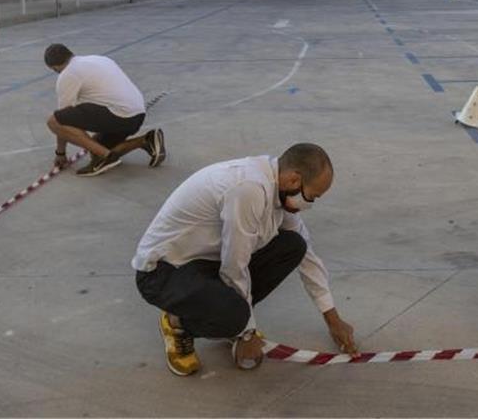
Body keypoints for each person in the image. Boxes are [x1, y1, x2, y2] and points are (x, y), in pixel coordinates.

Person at [132, 143, 358, 376]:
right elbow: (234, 265)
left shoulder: (277, 191)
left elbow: (307, 254)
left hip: (205, 262)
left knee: (293, 246)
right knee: (235, 317)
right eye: (312, 196)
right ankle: (177, 324)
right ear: (294, 180)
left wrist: (333, 320)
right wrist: (246, 331)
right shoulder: (249, 189)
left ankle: (230, 318)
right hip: (163, 271)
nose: (310, 204)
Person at [44, 43, 165, 176]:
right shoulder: (98, 59)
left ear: (54, 68)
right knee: (95, 146)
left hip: (120, 115)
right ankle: (146, 140)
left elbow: (62, 121)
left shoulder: (68, 74)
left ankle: (106, 158)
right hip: (136, 116)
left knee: (54, 121)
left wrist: (60, 153)